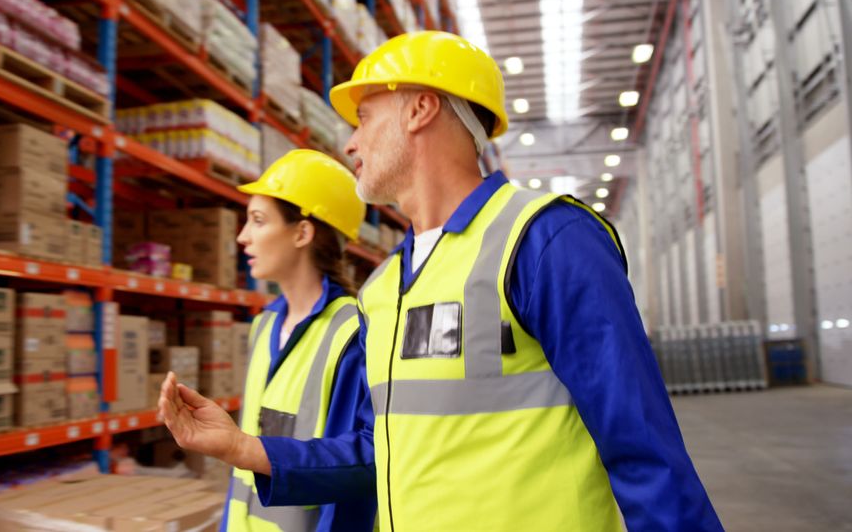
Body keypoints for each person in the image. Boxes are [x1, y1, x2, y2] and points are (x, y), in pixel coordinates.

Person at [161, 32, 723, 531]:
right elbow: (379, 452)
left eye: (365, 119)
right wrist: (243, 447)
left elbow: (643, 447)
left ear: (420, 109)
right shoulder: (383, 291)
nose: (351, 144)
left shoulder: (543, 241)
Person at [178, 149, 377, 532]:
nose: (242, 236)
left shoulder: (351, 334)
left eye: (257, 221)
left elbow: (349, 479)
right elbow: (245, 461)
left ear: (302, 232)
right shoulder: (265, 324)